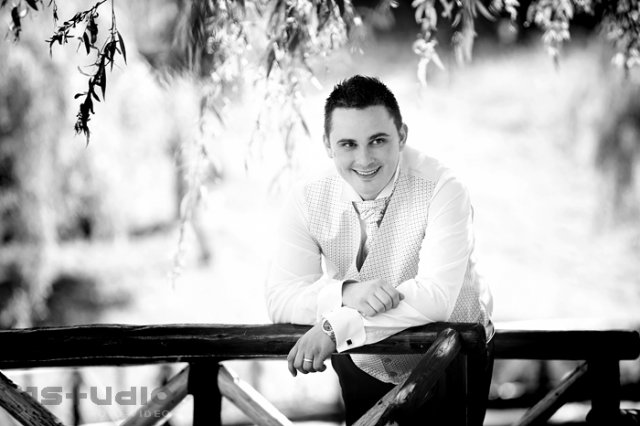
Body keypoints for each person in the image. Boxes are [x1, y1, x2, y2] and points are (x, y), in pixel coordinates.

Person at [266, 75, 493, 425]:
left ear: (401, 135)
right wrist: (345, 293)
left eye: (378, 140)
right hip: (359, 360)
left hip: (451, 357)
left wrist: (335, 326)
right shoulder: (306, 199)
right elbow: (281, 298)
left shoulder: (443, 187)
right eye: (348, 144)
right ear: (328, 145)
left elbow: (435, 296)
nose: (364, 159)